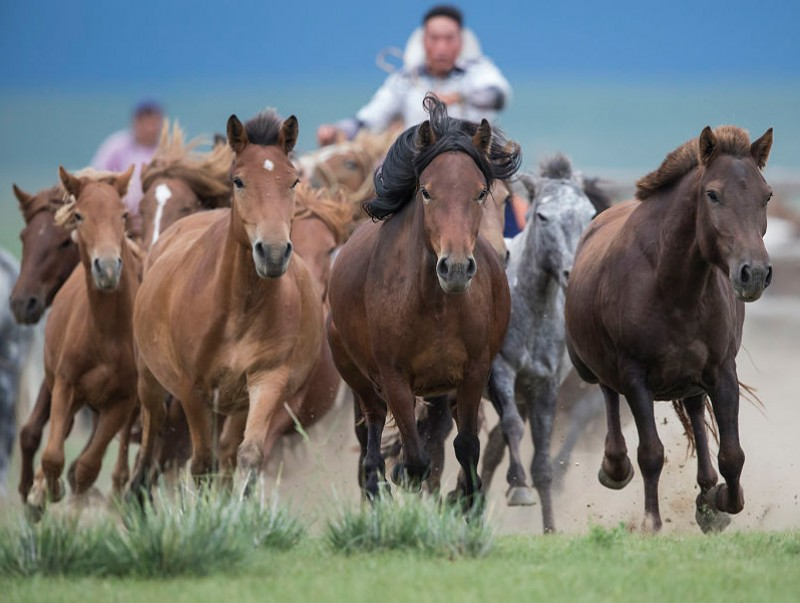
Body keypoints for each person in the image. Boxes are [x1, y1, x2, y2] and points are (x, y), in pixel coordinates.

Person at [317, 5, 512, 145]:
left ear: (461, 40)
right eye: (434, 38)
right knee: (379, 176)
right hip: (418, 161)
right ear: (423, 40)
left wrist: (459, 97)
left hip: (474, 159)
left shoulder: (478, 70)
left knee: (509, 187)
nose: (441, 47)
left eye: (449, 38)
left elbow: (497, 96)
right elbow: (370, 118)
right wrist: (338, 130)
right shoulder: (405, 80)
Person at [90, 99, 164, 216]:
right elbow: (97, 176)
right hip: (118, 213)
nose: (150, 129)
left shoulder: (166, 150)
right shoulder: (116, 146)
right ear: (136, 122)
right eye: (145, 123)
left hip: (154, 215)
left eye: (154, 123)